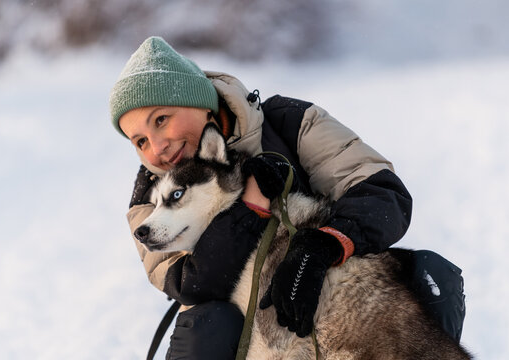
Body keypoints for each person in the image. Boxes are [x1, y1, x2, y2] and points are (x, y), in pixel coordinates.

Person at [109, 36, 465, 359]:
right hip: (233, 332)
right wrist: (250, 209)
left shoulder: (291, 123)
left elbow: (382, 193)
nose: (158, 147)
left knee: (433, 278)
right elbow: (190, 283)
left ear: (200, 103)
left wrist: (323, 244)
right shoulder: (149, 199)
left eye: (161, 120)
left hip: (327, 287)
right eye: (140, 141)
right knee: (206, 324)